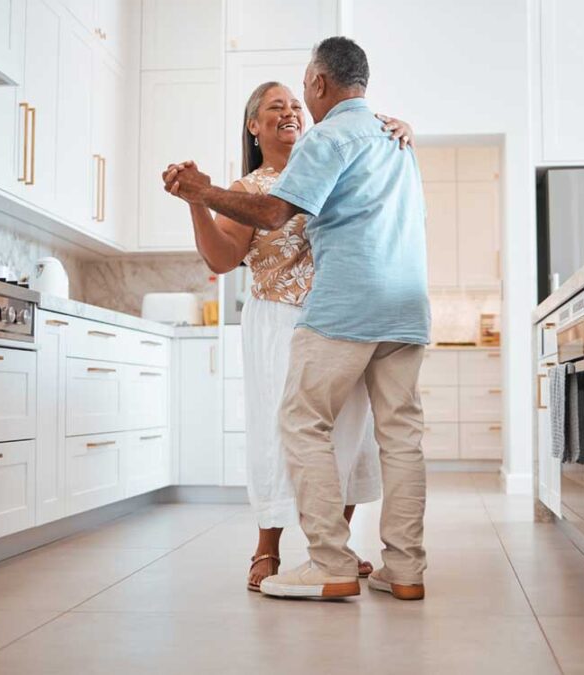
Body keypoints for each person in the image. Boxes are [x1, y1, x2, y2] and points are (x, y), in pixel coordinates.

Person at [163, 36, 430, 601]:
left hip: (340, 312)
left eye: (295, 100)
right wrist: (205, 198)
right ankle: (403, 571)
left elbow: (278, 211)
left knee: (314, 430)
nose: (291, 112)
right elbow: (227, 252)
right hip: (395, 307)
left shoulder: (334, 139)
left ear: (317, 86)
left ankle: (330, 558)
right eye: (273, 108)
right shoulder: (387, 138)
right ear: (252, 127)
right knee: (398, 437)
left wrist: (200, 189)